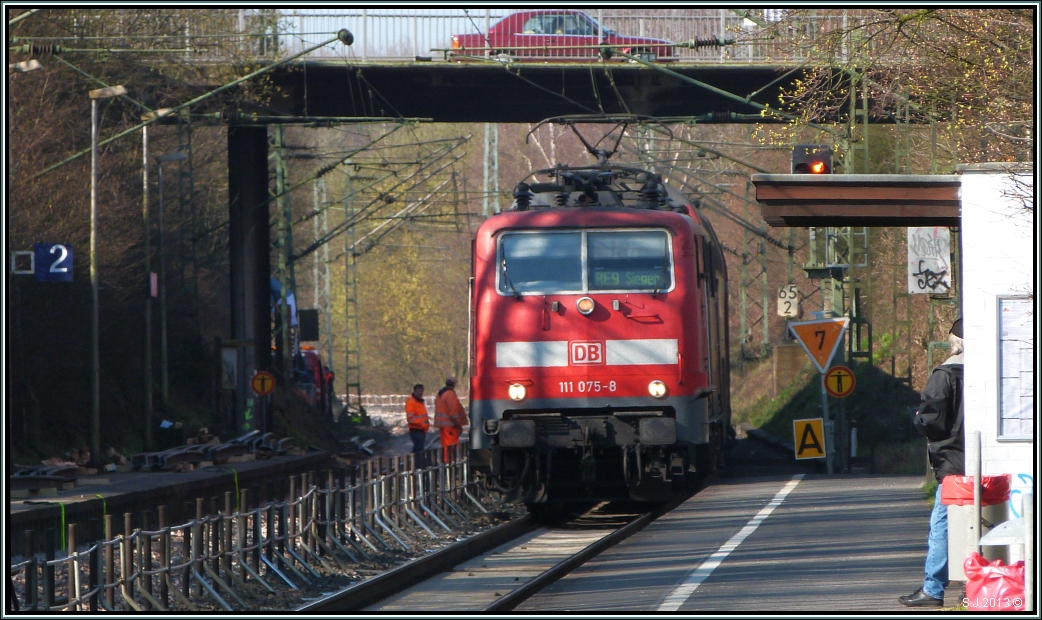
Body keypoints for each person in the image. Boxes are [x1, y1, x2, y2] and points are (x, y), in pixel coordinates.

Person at [900, 318, 965, 608]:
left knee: (943, 526)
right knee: (981, 525)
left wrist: (918, 419)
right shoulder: (992, 369)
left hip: (952, 463)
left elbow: (932, 421)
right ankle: (974, 585)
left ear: (955, 341)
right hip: (983, 460)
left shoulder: (945, 373)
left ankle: (933, 589)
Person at [434, 377, 468, 463]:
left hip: (443, 426)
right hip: (451, 426)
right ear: (454, 385)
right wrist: (458, 424)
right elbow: (453, 412)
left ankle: (446, 464)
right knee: (451, 447)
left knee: (445, 447)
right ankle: (450, 464)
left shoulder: (440, 394)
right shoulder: (450, 395)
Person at [405, 384, 430, 465]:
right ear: (415, 391)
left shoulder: (420, 402)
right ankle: (418, 465)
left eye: (421, 392)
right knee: (419, 449)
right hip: (416, 430)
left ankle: (415, 464)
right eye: (419, 391)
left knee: (418, 449)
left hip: (422, 430)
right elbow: (411, 419)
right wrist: (422, 424)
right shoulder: (411, 402)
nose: (420, 393)